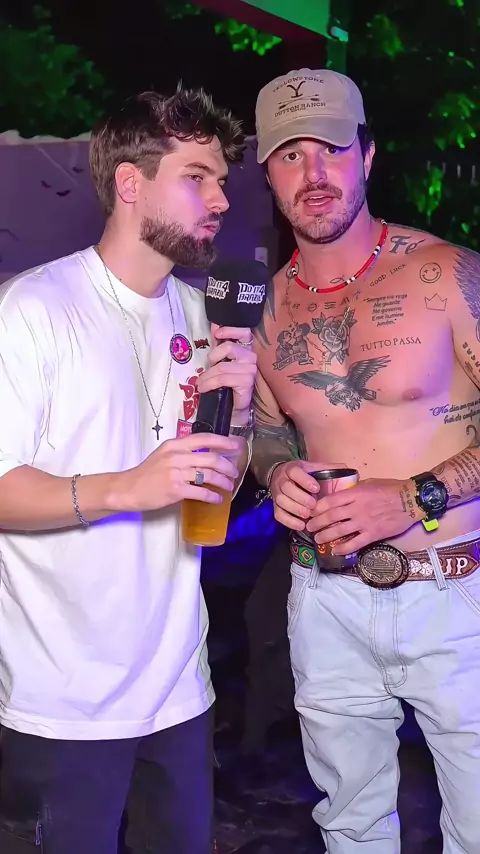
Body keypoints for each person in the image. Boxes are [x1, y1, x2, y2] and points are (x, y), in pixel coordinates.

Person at [0, 86, 257, 854]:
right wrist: (129, 488)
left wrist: (239, 420)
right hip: (64, 702)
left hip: (179, 691)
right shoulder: (33, 311)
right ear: (130, 183)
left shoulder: (203, 315)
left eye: (222, 181)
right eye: (197, 177)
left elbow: (218, 480)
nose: (221, 199)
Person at [251, 67, 480, 853]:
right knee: (348, 826)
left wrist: (416, 496)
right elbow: (269, 431)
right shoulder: (268, 308)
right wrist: (277, 471)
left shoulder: (446, 274)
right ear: (268, 174)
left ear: (368, 155)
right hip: (325, 601)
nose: (313, 174)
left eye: (332, 149)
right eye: (290, 155)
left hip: (454, 594)